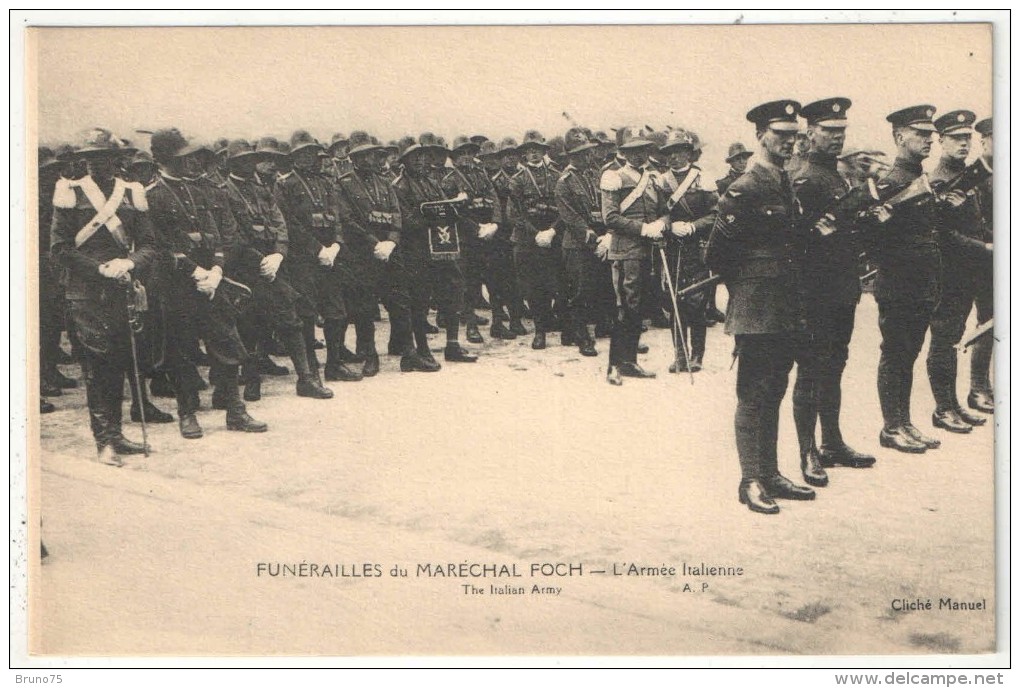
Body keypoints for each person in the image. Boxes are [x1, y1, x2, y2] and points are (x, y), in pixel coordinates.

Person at [704, 100, 816, 514]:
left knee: (775, 388)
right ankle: (750, 479)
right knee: (753, 393)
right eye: (780, 134)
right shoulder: (745, 188)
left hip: (786, 303)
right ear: (760, 135)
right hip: (757, 306)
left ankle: (770, 473)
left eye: (793, 134)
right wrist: (749, 287)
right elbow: (717, 255)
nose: (789, 142)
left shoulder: (786, 184)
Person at [147, 128, 268, 439]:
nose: (188, 162)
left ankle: (235, 411)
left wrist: (216, 269)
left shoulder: (200, 190)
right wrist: (195, 272)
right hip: (178, 286)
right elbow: (160, 246)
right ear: (162, 159)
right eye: (180, 157)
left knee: (226, 342)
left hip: (212, 283)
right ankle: (187, 413)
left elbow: (217, 236)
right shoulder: (153, 195)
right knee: (182, 351)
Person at [49, 128, 158, 465]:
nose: (101, 164)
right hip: (86, 292)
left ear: (117, 160)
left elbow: (150, 244)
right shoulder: (70, 193)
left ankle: (117, 435)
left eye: (107, 158)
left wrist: (129, 262)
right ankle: (104, 442)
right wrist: (98, 269)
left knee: (122, 360)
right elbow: (60, 249)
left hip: (122, 288)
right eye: (94, 158)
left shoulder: (132, 192)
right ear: (85, 160)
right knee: (98, 365)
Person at [790, 98, 877, 488]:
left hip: (842, 286)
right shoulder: (806, 179)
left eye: (841, 131)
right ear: (810, 133)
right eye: (829, 131)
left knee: (835, 365)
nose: (837, 138)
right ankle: (808, 451)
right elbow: (802, 240)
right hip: (814, 289)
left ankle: (833, 442)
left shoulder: (839, 177)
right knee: (811, 368)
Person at [864, 105, 948, 453]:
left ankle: (905, 421)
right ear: (900, 137)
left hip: (920, 284)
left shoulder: (920, 178)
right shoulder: (890, 183)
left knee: (909, 353)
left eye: (930, 135)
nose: (928, 140)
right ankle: (890, 426)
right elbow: (874, 241)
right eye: (920, 134)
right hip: (898, 284)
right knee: (895, 353)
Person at [222, 139, 333, 399]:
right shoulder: (224, 191)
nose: (250, 164)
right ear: (233, 163)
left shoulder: (262, 190)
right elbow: (232, 234)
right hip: (245, 268)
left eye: (252, 159)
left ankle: (306, 379)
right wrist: (261, 260)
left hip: (273, 265)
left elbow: (279, 224)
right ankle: (251, 381)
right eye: (244, 160)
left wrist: (278, 255)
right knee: (250, 326)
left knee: (291, 320)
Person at [335, 131, 437, 373]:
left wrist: (391, 241)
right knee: (365, 306)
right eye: (363, 156)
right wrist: (374, 243)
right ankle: (371, 356)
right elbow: (347, 220)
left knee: (400, 303)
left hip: (391, 252)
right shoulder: (344, 185)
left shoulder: (385, 183)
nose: (369, 160)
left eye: (372, 155)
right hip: (363, 254)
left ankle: (409, 353)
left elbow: (396, 215)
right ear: (354, 159)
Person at [275, 130, 362, 383]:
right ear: (293, 157)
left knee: (337, 312)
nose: (307, 158)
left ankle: (334, 364)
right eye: (301, 154)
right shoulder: (285, 184)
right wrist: (317, 249)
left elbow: (335, 217)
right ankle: (310, 368)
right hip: (303, 259)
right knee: (306, 314)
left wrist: (335, 245)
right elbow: (289, 223)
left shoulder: (326, 182)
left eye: (311, 153)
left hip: (330, 256)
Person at [925, 110, 993, 433]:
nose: (964, 144)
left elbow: (975, 224)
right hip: (948, 272)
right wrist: (985, 249)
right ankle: (943, 408)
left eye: (967, 138)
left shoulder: (968, 176)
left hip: (967, 271)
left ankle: (953, 405)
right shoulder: (939, 180)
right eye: (956, 138)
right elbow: (944, 234)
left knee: (952, 340)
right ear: (941, 141)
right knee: (944, 338)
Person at [391, 133, 478, 366]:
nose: (419, 161)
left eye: (421, 156)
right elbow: (406, 221)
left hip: (442, 247)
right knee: (419, 300)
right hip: (416, 251)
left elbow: (444, 208)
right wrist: (434, 216)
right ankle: (422, 350)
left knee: (453, 290)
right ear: (403, 161)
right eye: (413, 157)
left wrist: (453, 206)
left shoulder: (430, 181)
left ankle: (452, 345)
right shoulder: (399, 187)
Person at [600, 126, 669, 384]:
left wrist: (661, 224)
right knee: (624, 309)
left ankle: (629, 362)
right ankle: (613, 366)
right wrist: (643, 228)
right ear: (623, 152)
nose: (638, 156)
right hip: (625, 251)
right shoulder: (613, 177)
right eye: (632, 151)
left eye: (642, 150)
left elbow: (664, 211)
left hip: (648, 252)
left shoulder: (654, 178)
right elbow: (611, 217)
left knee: (638, 309)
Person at [658, 128, 717, 373]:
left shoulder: (704, 179)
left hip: (697, 248)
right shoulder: (661, 182)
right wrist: (671, 226)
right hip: (672, 248)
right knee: (674, 301)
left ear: (689, 154)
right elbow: (658, 213)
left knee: (698, 302)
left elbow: (715, 215)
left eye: (679, 152)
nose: (674, 158)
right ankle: (679, 355)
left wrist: (693, 227)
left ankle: (697, 356)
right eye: (670, 153)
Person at [442, 135, 506, 342]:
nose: (467, 157)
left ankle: (498, 323)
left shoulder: (482, 174)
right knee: (470, 283)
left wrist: (495, 223)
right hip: (468, 237)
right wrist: (476, 227)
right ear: (455, 157)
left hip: (489, 234)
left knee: (495, 280)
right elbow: (453, 211)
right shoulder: (449, 179)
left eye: (470, 153)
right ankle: (471, 325)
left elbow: (494, 200)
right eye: (462, 153)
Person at [508, 130, 562, 350]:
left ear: (543, 152)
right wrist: (535, 233)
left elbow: (564, 209)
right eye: (529, 151)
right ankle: (540, 331)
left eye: (537, 150)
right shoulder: (517, 180)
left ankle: (561, 325)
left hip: (553, 236)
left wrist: (552, 230)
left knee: (557, 283)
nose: (533, 155)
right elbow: (514, 214)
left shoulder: (557, 176)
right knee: (533, 287)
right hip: (528, 240)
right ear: (524, 155)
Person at [554, 127, 604, 357]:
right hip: (577, 243)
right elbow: (569, 216)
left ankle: (574, 330)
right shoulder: (564, 182)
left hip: (598, 238)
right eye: (581, 154)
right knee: (579, 291)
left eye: (588, 152)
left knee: (597, 288)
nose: (587, 157)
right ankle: (581, 336)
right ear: (571, 156)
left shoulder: (595, 176)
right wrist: (589, 233)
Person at [968, 117, 994, 414]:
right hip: (986, 260)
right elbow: (978, 225)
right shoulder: (976, 177)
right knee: (988, 322)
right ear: (983, 142)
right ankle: (977, 387)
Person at [489, 137, 528, 336]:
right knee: (498, 280)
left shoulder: (524, 176)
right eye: (506, 156)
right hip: (501, 237)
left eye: (514, 155)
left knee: (517, 279)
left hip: (520, 233)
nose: (511, 159)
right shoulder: (495, 181)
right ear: (500, 158)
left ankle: (516, 319)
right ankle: (497, 321)